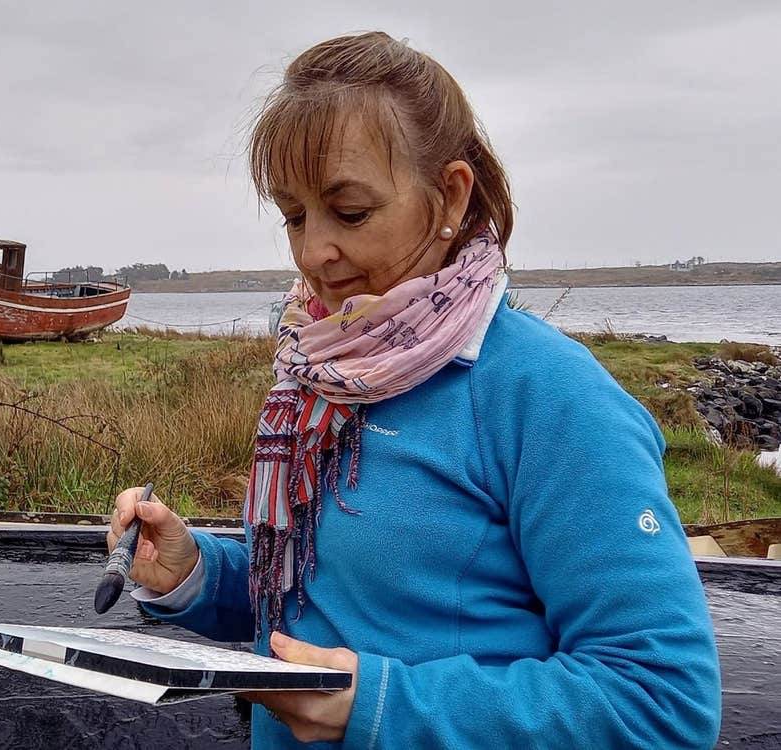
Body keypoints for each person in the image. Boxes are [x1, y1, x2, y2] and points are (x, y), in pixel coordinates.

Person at [108, 32, 721, 749]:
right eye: (294, 215)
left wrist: (379, 706)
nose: (312, 253)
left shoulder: (549, 397)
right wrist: (195, 573)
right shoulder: (325, 368)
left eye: (351, 212)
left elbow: (662, 699)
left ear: (450, 195)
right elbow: (319, 599)